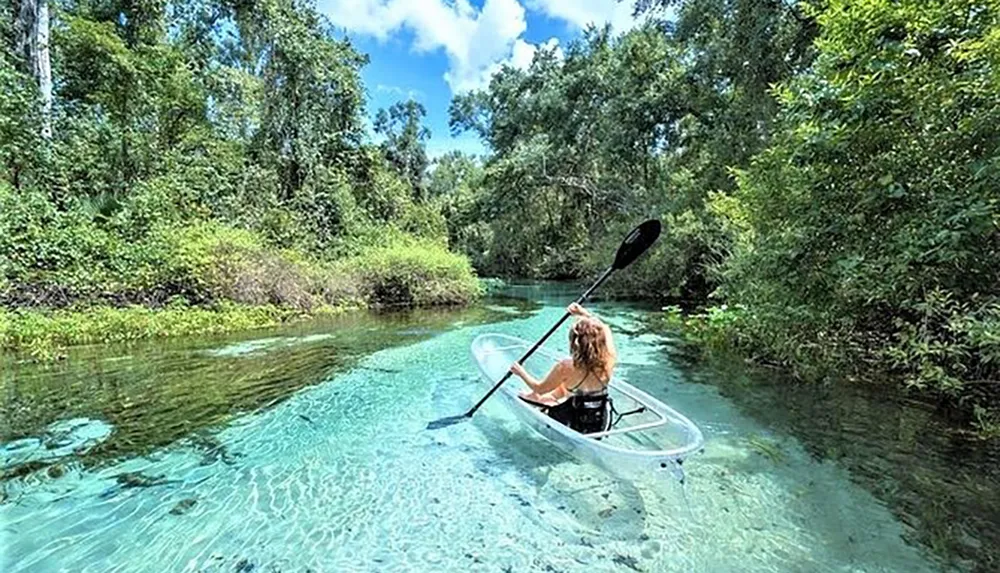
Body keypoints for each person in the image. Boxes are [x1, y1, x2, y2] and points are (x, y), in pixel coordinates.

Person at [508, 302, 617, 433]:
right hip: (598, 421)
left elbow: (539, 388)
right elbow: (605, 329)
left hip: (572, 422)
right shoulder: (610, 359)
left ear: (575, 342)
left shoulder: (566, 366)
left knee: (553, 387)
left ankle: (539, 399)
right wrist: (584, 313)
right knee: (568, 385)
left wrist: (520, 372)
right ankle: (544, 398)